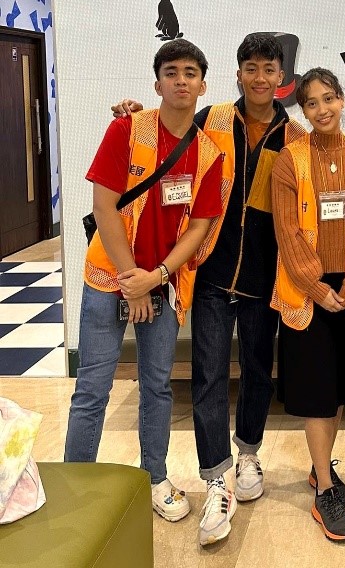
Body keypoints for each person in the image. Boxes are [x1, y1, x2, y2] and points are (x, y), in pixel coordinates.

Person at [112, 33, 306, 545]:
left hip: (265, 278)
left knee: (259, 372)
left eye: (269, 69)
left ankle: (249, 454)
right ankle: (216, 477)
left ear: (281, 77)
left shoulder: (295, 135)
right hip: (212, 272)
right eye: (250, 68)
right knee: (209, 376)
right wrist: (133, 115)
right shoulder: (213, 118)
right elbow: (167, 136)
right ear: (237, 74)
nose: (260, 78)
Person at [65, 39, 224, 524]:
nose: (181, 80)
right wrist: (129, 278)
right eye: (171, 72)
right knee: (92, 387)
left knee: (157, 387)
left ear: (203, 85)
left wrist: (155, 277)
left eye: (190, 73)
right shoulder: (126, 129)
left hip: (163, 282)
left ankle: (154, 476)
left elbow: (199, 225)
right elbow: (104, 206)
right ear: (157, 84)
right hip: (106, 277)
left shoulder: (208, 153)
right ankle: (75, 485)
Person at [271, 68, 345, 543]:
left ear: (342, 99)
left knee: (338, 388)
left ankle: (320, 466)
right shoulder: (289, 160)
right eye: (312, 103)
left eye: (329, 98)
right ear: (303, 110)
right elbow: (287, 231)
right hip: (307, 291)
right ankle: (325, 491)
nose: (322, 109)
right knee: (316, 392)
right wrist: (315, 285)